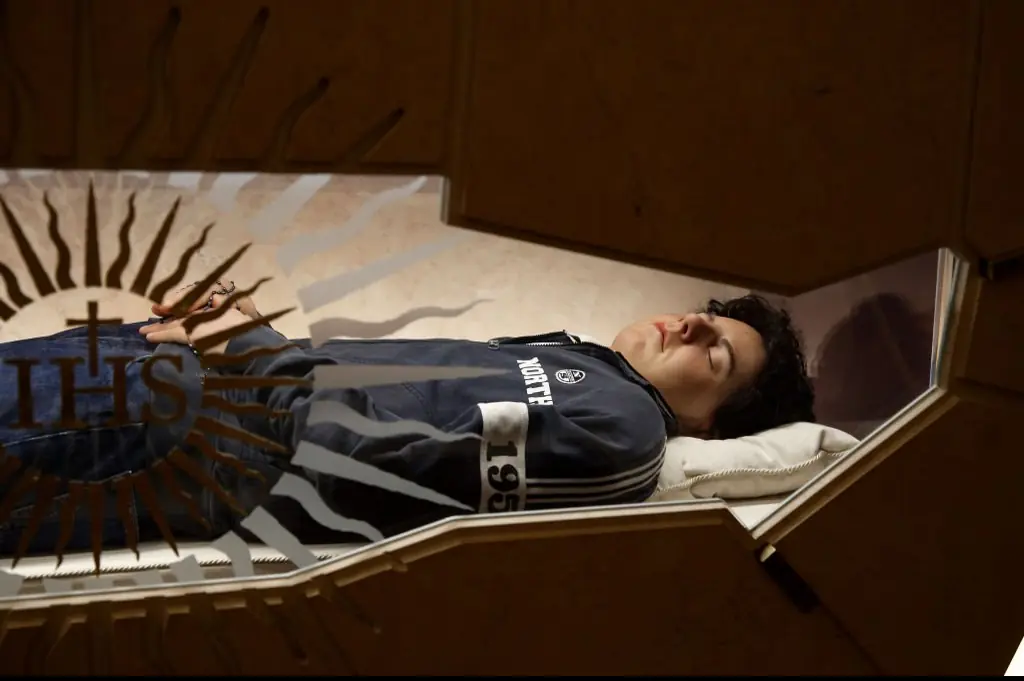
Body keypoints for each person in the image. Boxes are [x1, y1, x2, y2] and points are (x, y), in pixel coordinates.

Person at [0, 282, 814, 556]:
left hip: (181, 426)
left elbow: (376, 462)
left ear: (709, 428)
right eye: (707, 317)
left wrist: (246, 343)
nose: (693, 328)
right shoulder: (582, 365)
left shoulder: (622, 432)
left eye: (718, 359)